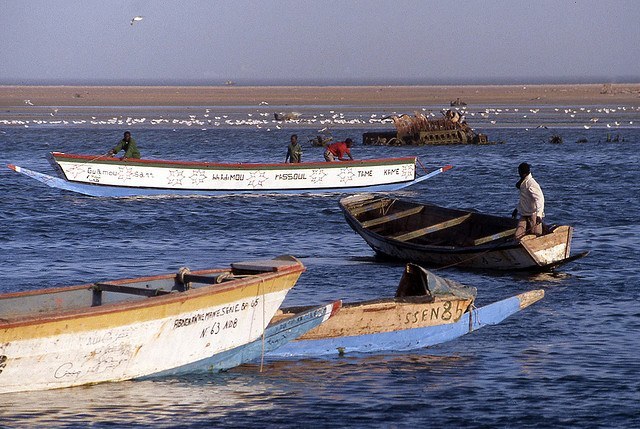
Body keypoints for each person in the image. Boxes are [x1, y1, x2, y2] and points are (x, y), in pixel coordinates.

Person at [512, 162, 545, 239]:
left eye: (519, 171)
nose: (518, 173)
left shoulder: (531, 183)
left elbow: (540, 199)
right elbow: (524, 199)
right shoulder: (523, 182)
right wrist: (517, 209)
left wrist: (539, 215)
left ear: (523, 173)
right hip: (524, 214)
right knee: (518, 236)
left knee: (536, 235)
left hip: (533, 214)